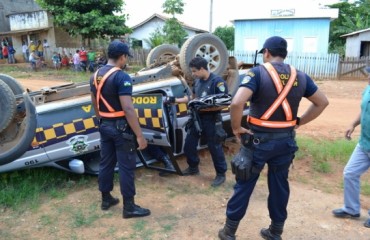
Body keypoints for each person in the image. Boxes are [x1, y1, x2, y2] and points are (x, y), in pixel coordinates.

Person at [218, 36, 329, 240]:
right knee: (279, 186)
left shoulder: (257, 73)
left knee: (244, 183)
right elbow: (322, 102)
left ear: (266, 52)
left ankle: (229, 231)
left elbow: (236, 103)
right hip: (285, 142)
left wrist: (236, 128)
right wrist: (300, 121)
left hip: (257, 141)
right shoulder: (301, 76)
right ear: (284, 54)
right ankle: (275, 231)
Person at [90, 40, 150, 218]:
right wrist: (139, 135)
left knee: (106, 162)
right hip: (120, 128)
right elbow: (128, 108)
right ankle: (129, 207)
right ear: (122, 56)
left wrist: (101, 119)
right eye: (125, 58)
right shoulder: (121, 76)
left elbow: (93, 100)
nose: (125, 61)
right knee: (126, 166)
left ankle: (106, 198)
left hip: (105, 125)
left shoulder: (95, 75)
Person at [168, 57, 228, 187]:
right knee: (189, 144)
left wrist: (205, 107)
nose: (193, 74)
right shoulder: (198, 82)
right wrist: (175, 100)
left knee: (215, 147)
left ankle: (221, 174)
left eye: (195, 71)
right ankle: (193, 167)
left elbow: (224, 104)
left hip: (212, 119)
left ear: (202, 69)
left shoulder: (217, 82)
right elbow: (193, 98)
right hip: (197, 118)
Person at [332, 67, 370, 228]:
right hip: (364, 142)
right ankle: (352, 209)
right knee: (350, 172)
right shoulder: (368, 88)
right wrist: (353, 124)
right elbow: (364, 110)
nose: (368, 75)